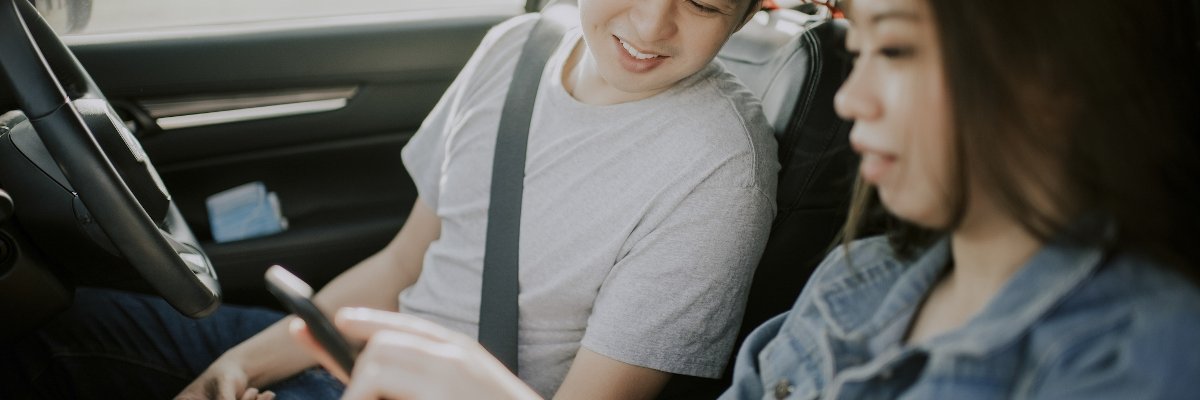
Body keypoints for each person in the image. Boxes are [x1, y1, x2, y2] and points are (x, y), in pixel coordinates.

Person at [286, 0, 1200, 398]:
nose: (849, 99)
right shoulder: (859, 282)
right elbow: (408, 255)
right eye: (860, 51)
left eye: (900, 51)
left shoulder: (1143, 352)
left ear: (1056, 78)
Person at [0, 0, 779, 399]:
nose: (651, 23)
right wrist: (239, 364)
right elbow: (403, 264)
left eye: (706, 1)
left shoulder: (717, 166)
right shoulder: (519, 47)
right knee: (45, 330)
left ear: (752, 9)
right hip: (352, 358)